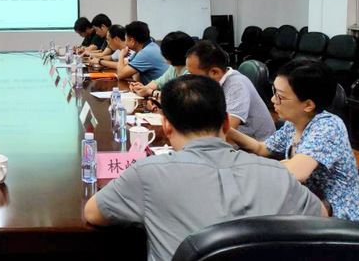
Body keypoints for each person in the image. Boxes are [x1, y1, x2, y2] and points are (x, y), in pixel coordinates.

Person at [84, 75, 326, 261]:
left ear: (166, 125)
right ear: (226, 123)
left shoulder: (147, 174)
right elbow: (322, 217)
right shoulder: (279, 174)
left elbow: (93, 213)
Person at [229, 59, 359, 221]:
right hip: (310, 202)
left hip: (338, 214)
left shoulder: (329, 127)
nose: (273, 100)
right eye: (274, 91)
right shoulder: (294, 123)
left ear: (308, 105)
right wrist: (228, 130)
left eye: (280, 96)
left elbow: (295, 173)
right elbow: (262, 148)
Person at [185, 40, 275, 141]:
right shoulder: (211, 84)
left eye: (193, 75)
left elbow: (226, 131)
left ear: (214, 72)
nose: (189, 79)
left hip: (257, 144)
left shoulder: (236, 85)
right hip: (236, 141)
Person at [130, 31, 195, 98]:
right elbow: (158, 83)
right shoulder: (173, 68)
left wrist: (150, 92)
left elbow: (176, 97)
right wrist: (143, 88)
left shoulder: (190, 72)